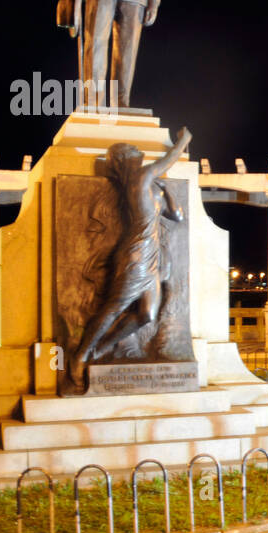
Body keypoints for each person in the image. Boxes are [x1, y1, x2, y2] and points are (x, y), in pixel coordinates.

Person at [69, 127, 190, 392]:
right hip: (136, 253)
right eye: (134, 153)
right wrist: (183, 141)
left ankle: (101, 349)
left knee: (147, 314)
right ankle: (80, 356)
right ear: (124, 159)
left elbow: (177, 216)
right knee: (113, 307)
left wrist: (167, 190)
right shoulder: (140, 177)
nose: (140, 155)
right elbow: (167, 162)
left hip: (153, 255)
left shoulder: (148, 184)